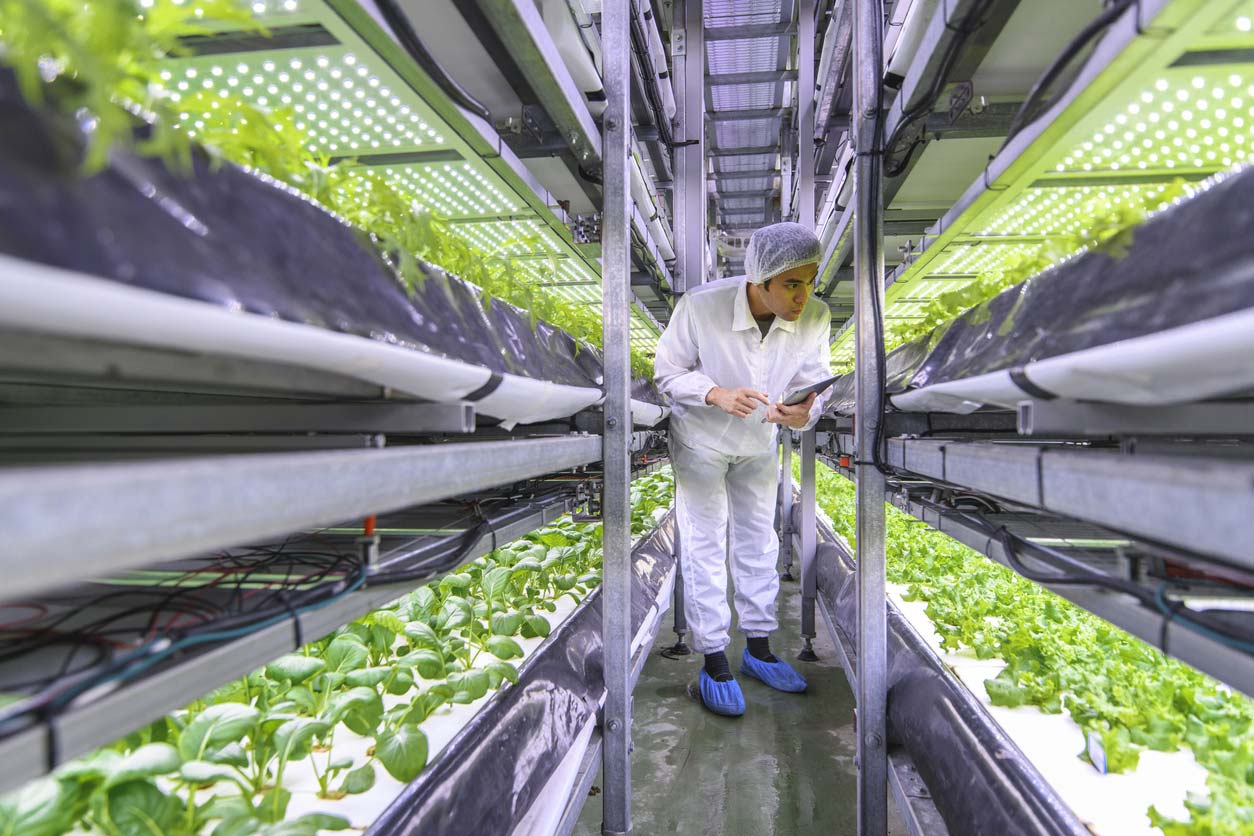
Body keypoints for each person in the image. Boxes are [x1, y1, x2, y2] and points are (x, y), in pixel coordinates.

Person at [654, 221, 833, 717]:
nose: (804, 295)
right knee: (706, 540)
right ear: (760, 281)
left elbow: (817, 381)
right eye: (792, 284)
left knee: (760, 540)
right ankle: (713, 657)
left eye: (810, 281)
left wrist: (805, 410)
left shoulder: (815, 317)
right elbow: (666, 372)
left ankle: (758, 649)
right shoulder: (701, 306)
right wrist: (715, 393)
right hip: (701, 441)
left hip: (758, 440)